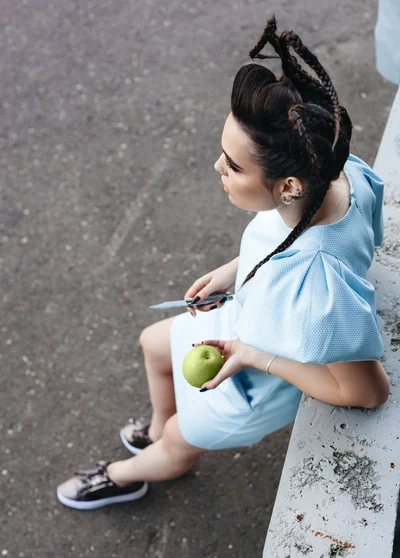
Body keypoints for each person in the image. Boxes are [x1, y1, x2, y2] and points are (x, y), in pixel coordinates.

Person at [57, 14, 391, 510]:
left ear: (288, 187)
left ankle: (127, 473)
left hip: (261, 377)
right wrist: (237, 271)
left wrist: (256, 355)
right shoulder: (337, 174)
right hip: (250, 324)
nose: (218, 167)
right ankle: (154, 434)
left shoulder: (320, 292)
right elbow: (289, 242)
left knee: (178, 438)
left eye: (234, 166)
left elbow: (368, 393)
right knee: (153, 345)